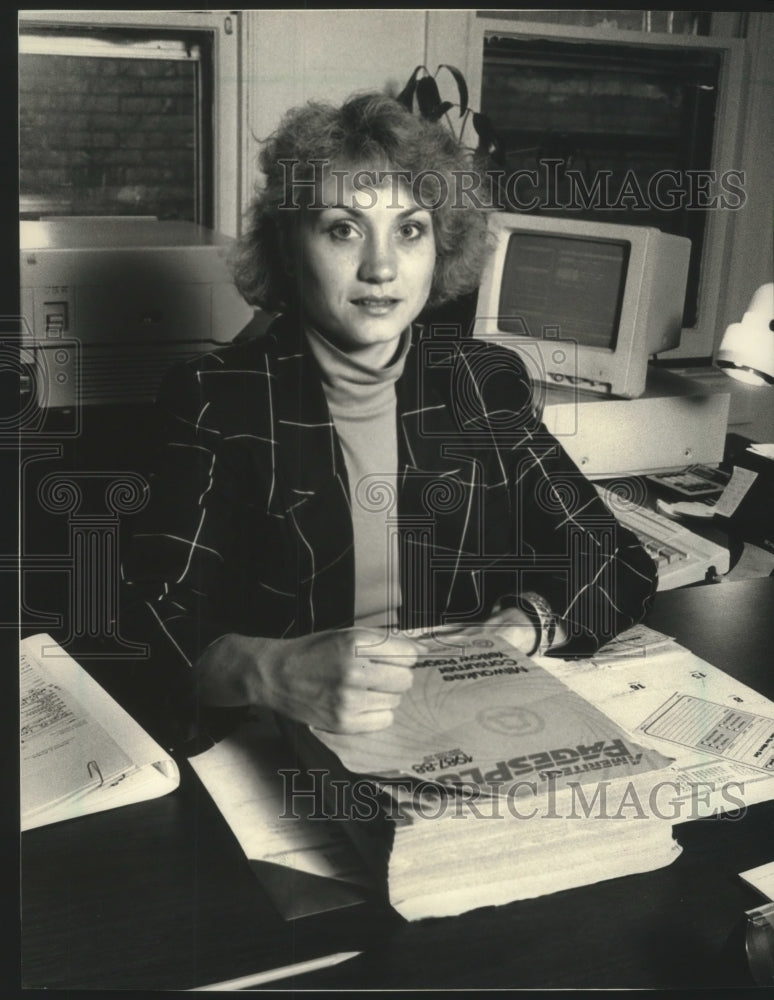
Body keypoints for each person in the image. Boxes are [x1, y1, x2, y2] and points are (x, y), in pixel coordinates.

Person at [121, 91, 657, 745]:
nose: (380, 267)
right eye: (343, 229)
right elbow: (148, 621)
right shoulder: (215, 398)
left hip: (460, 726)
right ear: (290, 248)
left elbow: (611, 556)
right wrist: (265, 669)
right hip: (288, 745)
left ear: (440, 250)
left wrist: (518, 627)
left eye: (409, 230)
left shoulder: (477, 384)